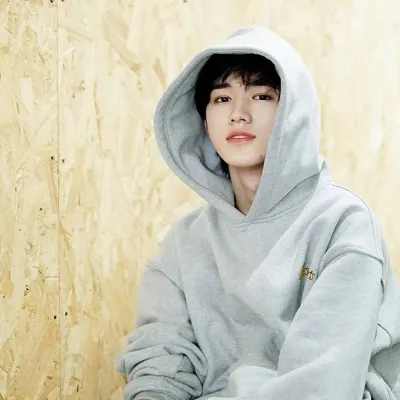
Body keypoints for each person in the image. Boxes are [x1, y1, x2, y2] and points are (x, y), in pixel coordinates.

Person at [115, 25, 400, 400]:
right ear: (205, 121)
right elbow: (160, 368)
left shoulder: (343, 224)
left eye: (261, 96)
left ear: (293, 114)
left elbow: (321, 385)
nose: (238, 114)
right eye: (222, 98)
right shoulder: (184, 242)